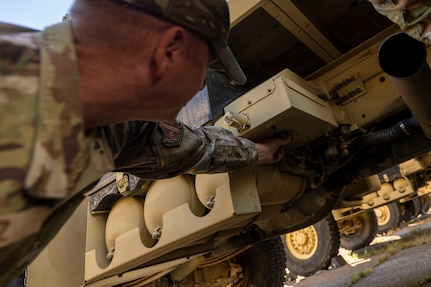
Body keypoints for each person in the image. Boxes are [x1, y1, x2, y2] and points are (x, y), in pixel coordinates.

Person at [0, 0, 291, 285]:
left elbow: (192, 149)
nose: (202, 85)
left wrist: (258, 152)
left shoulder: (122, 125)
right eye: (205, 66)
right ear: (169, 49)